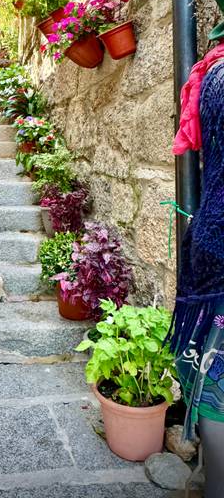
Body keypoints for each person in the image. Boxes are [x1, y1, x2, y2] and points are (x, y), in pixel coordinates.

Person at [170, 40, 224, 498]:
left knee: (213, 379)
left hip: (210, 246)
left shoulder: (213, 75)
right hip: (216, 251)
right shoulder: (220, 78)